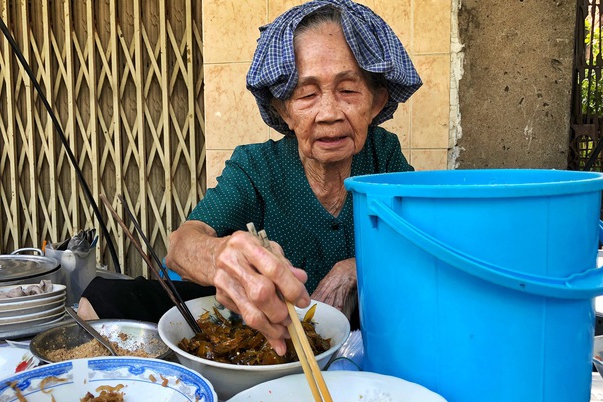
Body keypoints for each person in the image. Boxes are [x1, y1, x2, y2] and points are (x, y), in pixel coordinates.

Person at [78, 0, 421, 356]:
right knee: (107, 298)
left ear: (376, 102)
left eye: (348, 90)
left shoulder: (384, 156)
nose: (329, 113)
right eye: (307, 94)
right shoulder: (257, 166)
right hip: (266, 330)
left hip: (361, 328)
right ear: (283, 110)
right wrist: (221, 258)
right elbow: (181, 245)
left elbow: (415, 247)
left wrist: (354, 268)